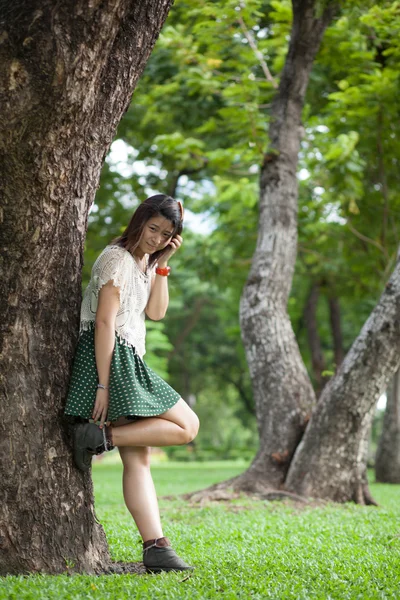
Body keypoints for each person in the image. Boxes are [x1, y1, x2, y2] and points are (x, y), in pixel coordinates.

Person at [64, 194, 200, 573]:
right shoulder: (116, 259)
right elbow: (104, 324)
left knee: (138, 458)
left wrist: (163, 264)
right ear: (139, 221)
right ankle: (99, 437)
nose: (156, 238)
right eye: (153, 228)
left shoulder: (143, 263)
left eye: (166, 234)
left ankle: (155, 547)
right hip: (113, 358)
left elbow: (156, 312)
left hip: (128, 356)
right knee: (188, 426)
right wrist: (104, 386)